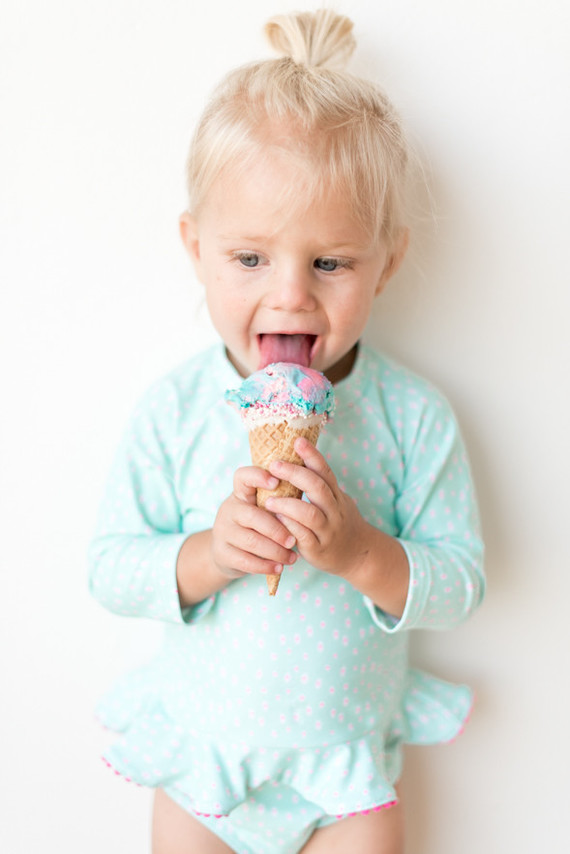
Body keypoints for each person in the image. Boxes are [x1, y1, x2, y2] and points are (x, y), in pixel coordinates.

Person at [89, 10, 485, 854]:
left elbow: (461, 585)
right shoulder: (173, 409)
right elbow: (111, 569)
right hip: (201, 770)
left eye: (330, 262)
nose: (291, 295)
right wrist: (211, 555)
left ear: (388, 260)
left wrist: (361, 555)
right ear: (196, 249)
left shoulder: (412, 416)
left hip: (347, 781)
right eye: (250, 258)